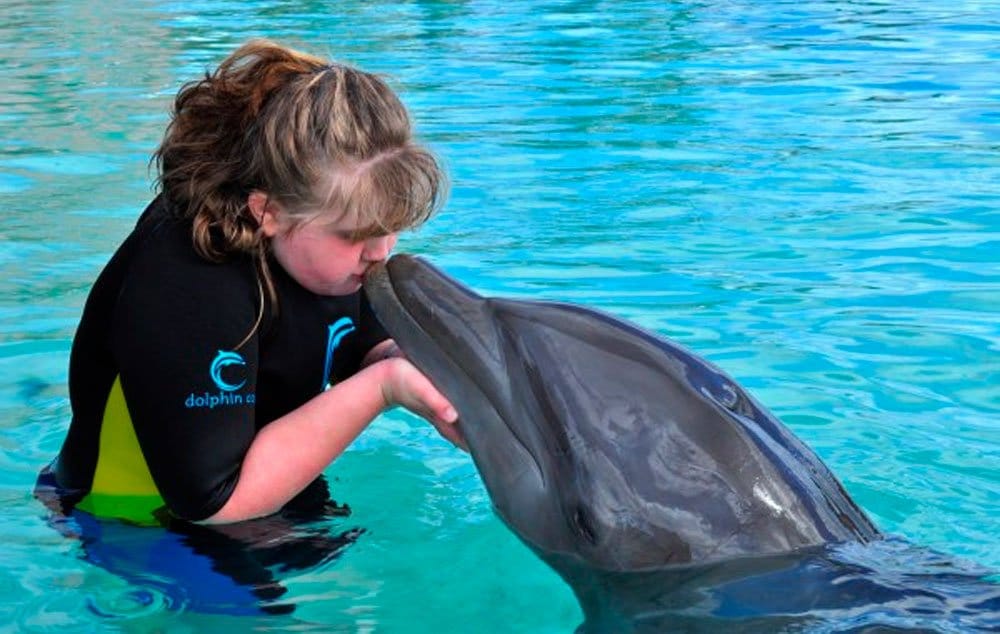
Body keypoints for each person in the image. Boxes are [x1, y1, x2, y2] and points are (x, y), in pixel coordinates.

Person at [37, 39, 462, 527]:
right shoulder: (191, 284)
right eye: (355, 235)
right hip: (133, 520)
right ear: (269, 211)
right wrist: (385, 388)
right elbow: (212, 504)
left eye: (391, 227)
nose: (380, 252)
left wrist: (420, 376)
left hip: (259, 485)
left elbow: (363, 346)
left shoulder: (327, 253)